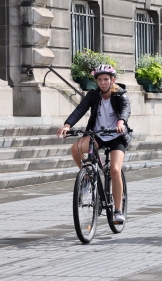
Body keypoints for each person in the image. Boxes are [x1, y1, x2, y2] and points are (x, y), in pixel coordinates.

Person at [56, 64, 132, 223]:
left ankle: (118, 210)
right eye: (100, 80)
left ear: (113, 80)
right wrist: (67, 125)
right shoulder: (93, 95)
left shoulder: (120, 94)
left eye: (106, 79)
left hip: (116, 135)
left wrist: (121, 122)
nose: (103, 82)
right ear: (96, 81)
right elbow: (80, 109)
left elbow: (125, 109)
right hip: (97, 134)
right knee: (75, 149)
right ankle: (88, 178)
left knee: (115, 170)